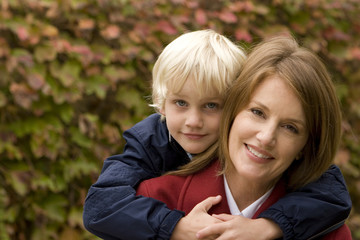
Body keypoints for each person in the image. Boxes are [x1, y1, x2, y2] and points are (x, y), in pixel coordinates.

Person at [83, 30, 351, 240]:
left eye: (291, 127)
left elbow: (333, 194)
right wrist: (174, 227)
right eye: (257, 112)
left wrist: (270, 226)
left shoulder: (322, 222)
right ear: (161, 103)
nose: (194, 122)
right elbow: (100, 207)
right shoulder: (151, 171)